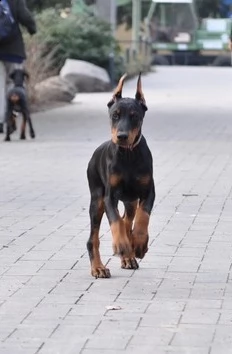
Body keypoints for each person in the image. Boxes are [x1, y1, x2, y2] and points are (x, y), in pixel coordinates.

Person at [0, 0, 36, 133]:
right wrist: (32, 28)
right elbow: (25, 16)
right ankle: (10, 119)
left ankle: (0, 121)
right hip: (13, 50)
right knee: (13, 84)